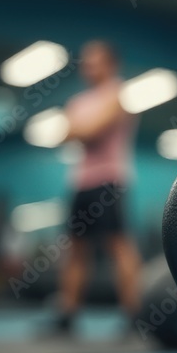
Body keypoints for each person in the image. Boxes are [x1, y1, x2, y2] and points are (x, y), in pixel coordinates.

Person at [45, 40, 142, 335]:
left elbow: (86, 132)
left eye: (94, 60)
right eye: (85, 61)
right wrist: (79, 129)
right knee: (74, 249)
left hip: (110, 181)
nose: (87, 66)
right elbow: (65, 134)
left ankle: (135, 314)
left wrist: (79, 128)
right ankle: (68, 314)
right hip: (81, 182)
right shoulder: (79, 101)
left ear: (111, 64)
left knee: (117, 244)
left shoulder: (117, 94)